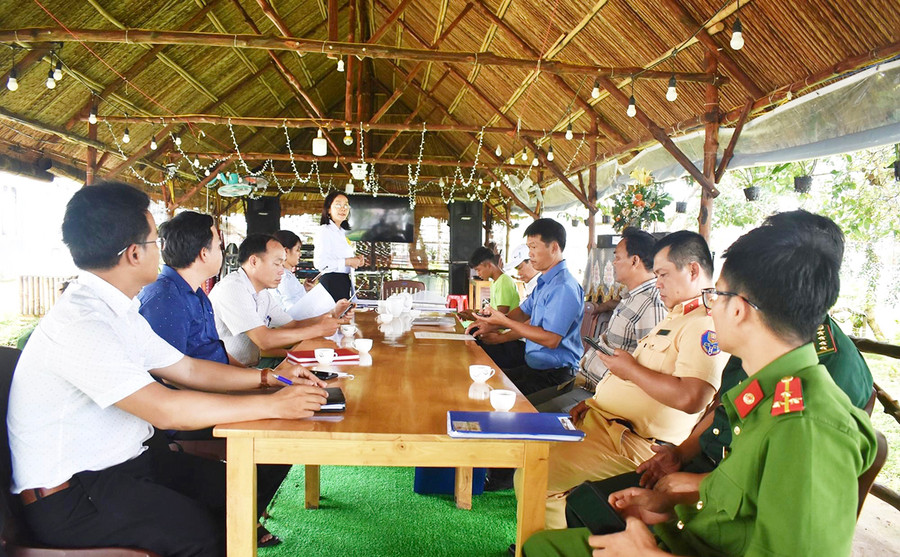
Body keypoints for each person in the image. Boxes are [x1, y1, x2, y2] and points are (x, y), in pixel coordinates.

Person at [524, 215, 878, 557]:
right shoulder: (763, 387)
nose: (710, 306)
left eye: (717, 296)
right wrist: (677, 499)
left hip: (699, 540)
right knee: (543, 545)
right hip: (696, 531)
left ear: (739, 309)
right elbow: (739, 483)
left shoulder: (808, 425)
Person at [7, 182, 330, 556]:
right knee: (203, 534)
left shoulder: (118, 310)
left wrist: (269, 379)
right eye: (153, 243)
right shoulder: (82, 322)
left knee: (241, 490)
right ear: (132, 254)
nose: (161, 252)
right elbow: (163, 408)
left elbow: (188, 368)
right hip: (75, 494)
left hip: (131, 463)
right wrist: (274, 404)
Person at [522, 230, 727, 531]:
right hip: (605, 422)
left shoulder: (703, 324)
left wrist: (629, 370)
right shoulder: (677, 317)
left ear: (693, 270)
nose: (658, 283)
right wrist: (595, 403)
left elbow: (692, 397)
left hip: (635, 443)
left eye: (664, 275)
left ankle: (548, 545)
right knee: (531, 459)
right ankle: (544, 542)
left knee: (537, 475)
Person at [537, 228, 667, 413]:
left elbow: (648, 370)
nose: (613, 263)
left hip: (599, 394)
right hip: (583, 381)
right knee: (524, 405)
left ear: (635, 261)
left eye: (617, 257)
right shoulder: (631, 295)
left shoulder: (651, 304)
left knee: (532, 417)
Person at [468, 218, 584, 397]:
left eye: (534, 247)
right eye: (529, 248)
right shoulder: (545, 283)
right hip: (533, 368)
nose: (530, 254)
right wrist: (488, 325)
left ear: (553, 248)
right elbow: (522, 313)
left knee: (492, 394)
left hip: (554, 376)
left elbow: (551, 339)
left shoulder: (563, 287)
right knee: (485, 383)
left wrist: (504, 322)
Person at [209, 234, 348, 367]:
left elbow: (292, 324)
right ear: (254, 261)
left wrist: (332, 314)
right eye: (277, 264)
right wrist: (318, 330)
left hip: (249, 366)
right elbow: (264, 340)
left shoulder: (261, 293)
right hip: (227, 373)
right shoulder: (233, 288)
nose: (282, 271)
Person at [314, 191, 365, 301]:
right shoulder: (324, 230)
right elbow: (320, 263)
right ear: (328, 209)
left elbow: (341, 259)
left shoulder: (342, 232)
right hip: (331, 282)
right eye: (338, 205)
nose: (343, 208)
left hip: (343, 281)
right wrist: (348, 261)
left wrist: (356, 261)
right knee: (333, 318)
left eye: (346, 205)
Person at [271, 229, 316, 312]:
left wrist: (303, 289)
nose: (300, 254)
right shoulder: (284, 276)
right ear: (286, 251)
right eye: (297, 250)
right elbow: (291, 308)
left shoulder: (282, 274)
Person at [467, 245, 520, 314]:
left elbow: (501, 316)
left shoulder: (503, 281)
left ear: (489, 265)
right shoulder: (495, 282)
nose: (478, 274)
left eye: (478, 270)